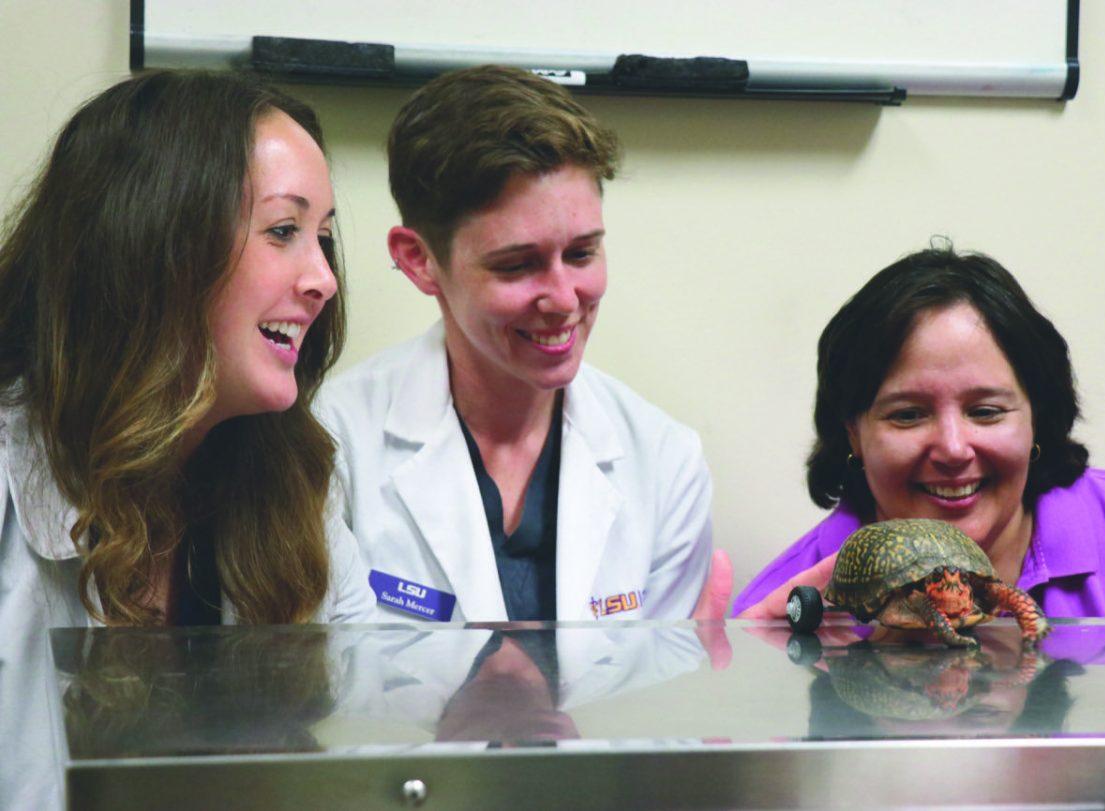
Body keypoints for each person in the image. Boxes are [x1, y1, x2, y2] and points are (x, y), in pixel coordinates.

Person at [0, 70, 374, 807]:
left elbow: (368, 747)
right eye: (283, 231)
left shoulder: (292, 482)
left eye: (324, 239)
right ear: (154, 244)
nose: (324, 279)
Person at [320, 65, 726, 622]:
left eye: (582, 254)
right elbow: (321, 690)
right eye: (517, 265)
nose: (563, 298)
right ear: (419, 261)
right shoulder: (328, 448)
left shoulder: (663, 463)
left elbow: (647, 699)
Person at [735, 246, 1105, 618]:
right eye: (907, 415)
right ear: (853, 433)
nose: (954, 449)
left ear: (1037, 416)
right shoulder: (788, 604)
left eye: (986, 411)